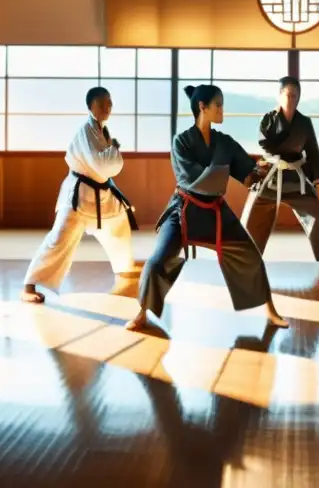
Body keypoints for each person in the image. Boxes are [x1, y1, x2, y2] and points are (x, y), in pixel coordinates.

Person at [125, 84, 289, 334]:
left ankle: (270, 311)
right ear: (203, 107)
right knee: (157, 262)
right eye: (218, 105)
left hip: (216, 212)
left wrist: (261, 171)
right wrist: (221, 170)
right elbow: (193, 179)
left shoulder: (224, 142)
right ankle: (142, 313)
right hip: (184, 210)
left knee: (251, 256)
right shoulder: (181, 142)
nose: (223, 110)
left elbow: (246, 175)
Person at [20, 86, 140, 303]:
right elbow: (101, 164)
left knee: (119, 222)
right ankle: (29, 286)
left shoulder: (102, 130)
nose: (107, 107)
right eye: (101, 103)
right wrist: (114, 150)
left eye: (109, 103)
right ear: (90, 106)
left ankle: (125, 267)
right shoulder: (85, 131)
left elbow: (108, 165)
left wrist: (112, 149)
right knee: (59, 238)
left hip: (101, 194)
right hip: (80, 194)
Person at [240, 76, 319, 271]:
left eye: (296, 95)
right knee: (252, 210)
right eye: (288, 94)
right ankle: (246, 257)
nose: (292, 99)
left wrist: (316, 174)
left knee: (315, 211)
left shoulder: (304, 122)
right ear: (279, 96)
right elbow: (264, 145)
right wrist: (280, 155)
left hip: (295, 176)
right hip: (272, 176)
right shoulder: (268, 119)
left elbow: (312, 148)